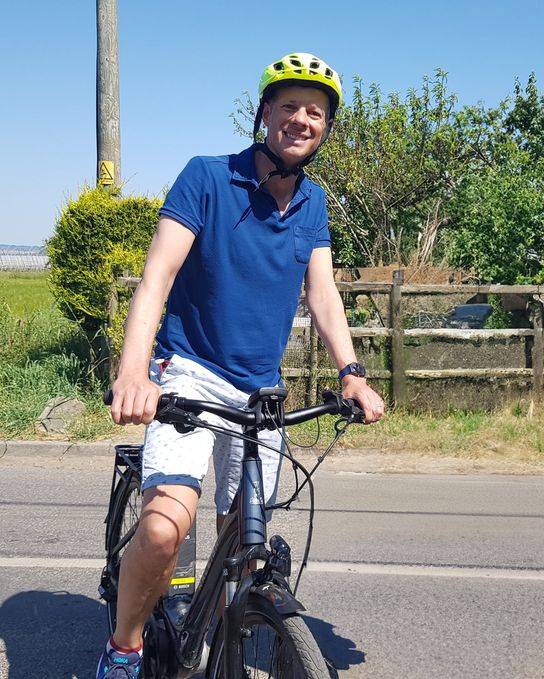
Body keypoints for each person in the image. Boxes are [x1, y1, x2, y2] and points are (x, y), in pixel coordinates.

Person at [97, 51, 385, 678]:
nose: (301, 119)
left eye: (315, 112)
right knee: (166, 528)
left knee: (245, 541)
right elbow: (156, 278)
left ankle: (227, 634)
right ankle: (124, 645)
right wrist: (134, 371)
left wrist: (352, 372)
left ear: (326, 129)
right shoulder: (205, 177)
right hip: (191, 372)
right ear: (264, 114)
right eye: (288, 106)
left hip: (261, 392)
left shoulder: (313, 203)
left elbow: (323, 294)